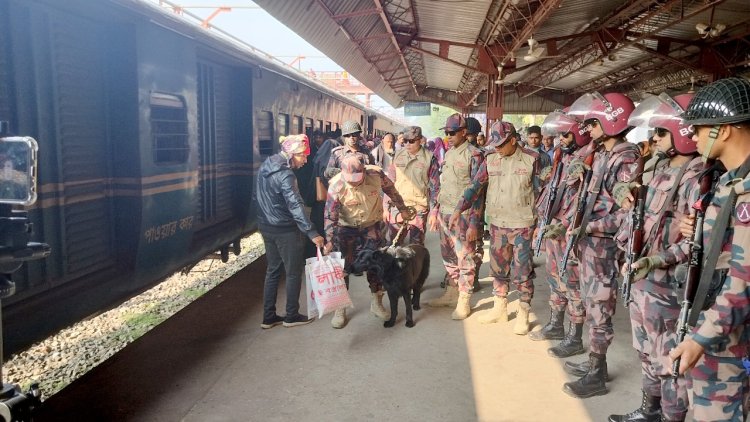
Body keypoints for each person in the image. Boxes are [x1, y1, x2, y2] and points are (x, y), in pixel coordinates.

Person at [608, 93, 701, 422]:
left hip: (667, 288)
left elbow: (697, 242)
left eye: (660, 133)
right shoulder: (657, 169)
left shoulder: (696, 178)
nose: (654, 139)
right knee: (646, 351)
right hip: (643, 282)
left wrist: (657, 260)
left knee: (670, 363)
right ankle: (649, 410)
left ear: (681, 134)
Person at [669, 77, 750, 422]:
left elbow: (744, 280)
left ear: (726, 130)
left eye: (700, 129)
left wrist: (700, 339)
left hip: (729, 339)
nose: (694, 137)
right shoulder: (728, 181)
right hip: (717, 323)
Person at [561, 92, 640, 398]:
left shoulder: (626, 157)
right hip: (590, 243)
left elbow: (625, 215)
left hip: (603, 246)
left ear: (611, 121)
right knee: (592, 303)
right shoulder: (604, 154)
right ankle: (597, 363)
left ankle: (596, 374)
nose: (588, 129)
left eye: (593, 123)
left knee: (599, 306)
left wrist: (588, 227)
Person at [449, 121, 541, 334]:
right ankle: (500, 308)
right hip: (498, 224)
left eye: (501, 144)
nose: (497, 149)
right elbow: (474, 187)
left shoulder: (532, 160)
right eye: (495, 144)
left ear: (513, 140)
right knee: (498, 269)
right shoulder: (491, 160)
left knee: (522, 271)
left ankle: (524, 312)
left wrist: (541, 227)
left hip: (523, 225)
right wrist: (458, 209)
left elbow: (544, 195)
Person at [529, 109, 592, 359]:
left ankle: (574, 337)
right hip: (554, 228)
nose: (561, 139)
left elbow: (583, 201)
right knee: (555, 277)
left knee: (572, 283)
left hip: (569, 231)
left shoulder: (589, 158)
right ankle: (556, 325)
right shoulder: (562, 157)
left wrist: (564, 224)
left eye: (565, 135)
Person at [323, 155, 410, 329]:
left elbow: (392, 191)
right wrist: (330, 240)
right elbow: (329, 216)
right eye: (351, 180)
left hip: (371, 227)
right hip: (346, 230)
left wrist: (403, 209)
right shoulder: (337, 185)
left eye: (358, 179)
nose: (355, 183)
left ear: (363, 171)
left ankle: (376, 302)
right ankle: (340, 309)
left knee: (376, 266)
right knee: (343, 270)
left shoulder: (376, 175)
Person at [256, 134, 325, 329]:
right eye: (302, 156)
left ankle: (268, 317)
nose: (305, 160)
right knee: (293, 272)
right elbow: (295, 205)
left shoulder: (265, 166)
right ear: (292, 153)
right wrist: (312, 232)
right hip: (285, 230)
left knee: (273, 271)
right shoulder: (286, 174)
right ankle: (291, 315)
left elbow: (257, 196)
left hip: (266, 227)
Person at [427, 113, 485, 319]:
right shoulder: (449, 154)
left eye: (452, 133)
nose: (449, 136)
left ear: (463, 132)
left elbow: (478, 193)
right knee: (449, 256)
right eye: (447, 133)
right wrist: (435, 210)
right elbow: (442, 185)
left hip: (465, 215)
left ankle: (464, 300)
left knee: (466, 258)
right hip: (445, 212)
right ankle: (451, 293)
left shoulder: (475, 155)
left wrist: (474, 224)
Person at [385, 126, 440, 246]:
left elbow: (435, 187)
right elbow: (389, 183)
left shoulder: (429, 159)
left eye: (411, 141)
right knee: (393, 246)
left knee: (416, 248)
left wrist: (434, 212)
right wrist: (385, 207)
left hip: (418, 208)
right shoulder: (398, 156)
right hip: (398, 207)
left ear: (420, 140)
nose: (407, 144)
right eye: (405, 141)